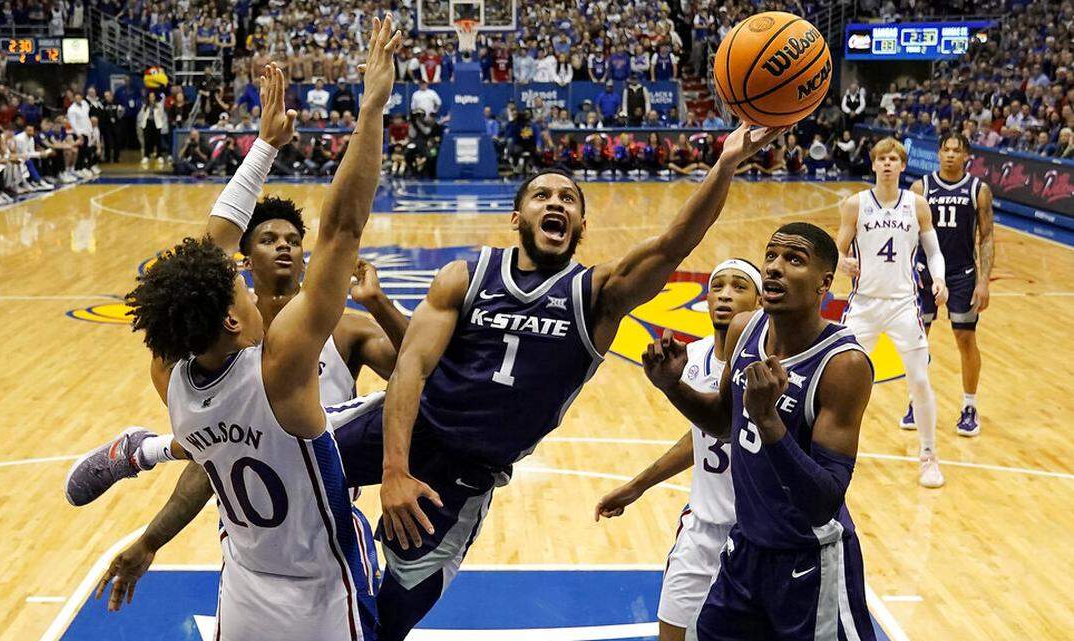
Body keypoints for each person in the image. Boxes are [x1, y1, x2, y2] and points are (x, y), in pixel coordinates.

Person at [69, 119, 783, 640]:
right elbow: (410, 365)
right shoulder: (467, 276)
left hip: (465, 479)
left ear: (583, 225)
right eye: (543, 195)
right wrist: (394, 465)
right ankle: (155, 453)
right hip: (398, 426)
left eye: (569, 197)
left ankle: (155, 451)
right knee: (249, 436)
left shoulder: (595, 295)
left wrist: (723, 162)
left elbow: (673, 243)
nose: (557, 203)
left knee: (384, 626)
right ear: (517, 215)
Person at [72, 18, 403, 640]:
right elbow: (342, 229)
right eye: (237, 286)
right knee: (407, 411)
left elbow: (208, 250)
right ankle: (145, 450)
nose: (244, 281)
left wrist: (263, 149)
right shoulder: (281, 364)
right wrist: (372, 109)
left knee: (203, 448)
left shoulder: (170, 375)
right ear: (231, 318)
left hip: (245, 571)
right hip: (323, 579)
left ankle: (147, 449)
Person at [636, 222, 877, 641]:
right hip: (745, 547)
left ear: (824, 283)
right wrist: (673, 386)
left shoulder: (844, 365)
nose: (775, 268)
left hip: (809, 561)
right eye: (771, 256)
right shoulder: (745, 328)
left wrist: (769, 423)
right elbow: (721, 421)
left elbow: (823, 500)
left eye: (794, 260)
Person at [594, 259, 763, 641]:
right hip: (701, 528)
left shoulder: (765, 364)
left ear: (759, 303)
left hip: (758, 535)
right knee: (671, 633)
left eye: (739, 287)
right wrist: (638, 486)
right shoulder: (692, 358)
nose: (724, 294)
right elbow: (703, 434)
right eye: (717, 285)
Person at [835, 137, 947, 488]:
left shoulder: (917, 205)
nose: (886, 164)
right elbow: (835, 250)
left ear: (902, 165)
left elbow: (934, 251)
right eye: (881, 158)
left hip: (903, 304)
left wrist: (940, 279)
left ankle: (928, 456)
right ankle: (822, 451)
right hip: (864, 304)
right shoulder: (855, 205)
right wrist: (842, 263)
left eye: (893, 159)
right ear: (873, 165)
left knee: (919, 380)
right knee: (837, 379)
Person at [904, 132, 994, 436]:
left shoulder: (978, 190)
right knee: (918, 341)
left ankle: (970, 405)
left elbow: (987, 236)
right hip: (924, 274)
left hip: (962, 275)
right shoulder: (920, 187)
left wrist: (984, 281)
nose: (951, 155)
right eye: (946, 150)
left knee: (965, 339)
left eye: (957, 150)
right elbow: (906, 234)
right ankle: (915, 401)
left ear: (966, 155)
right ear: (938, 153)